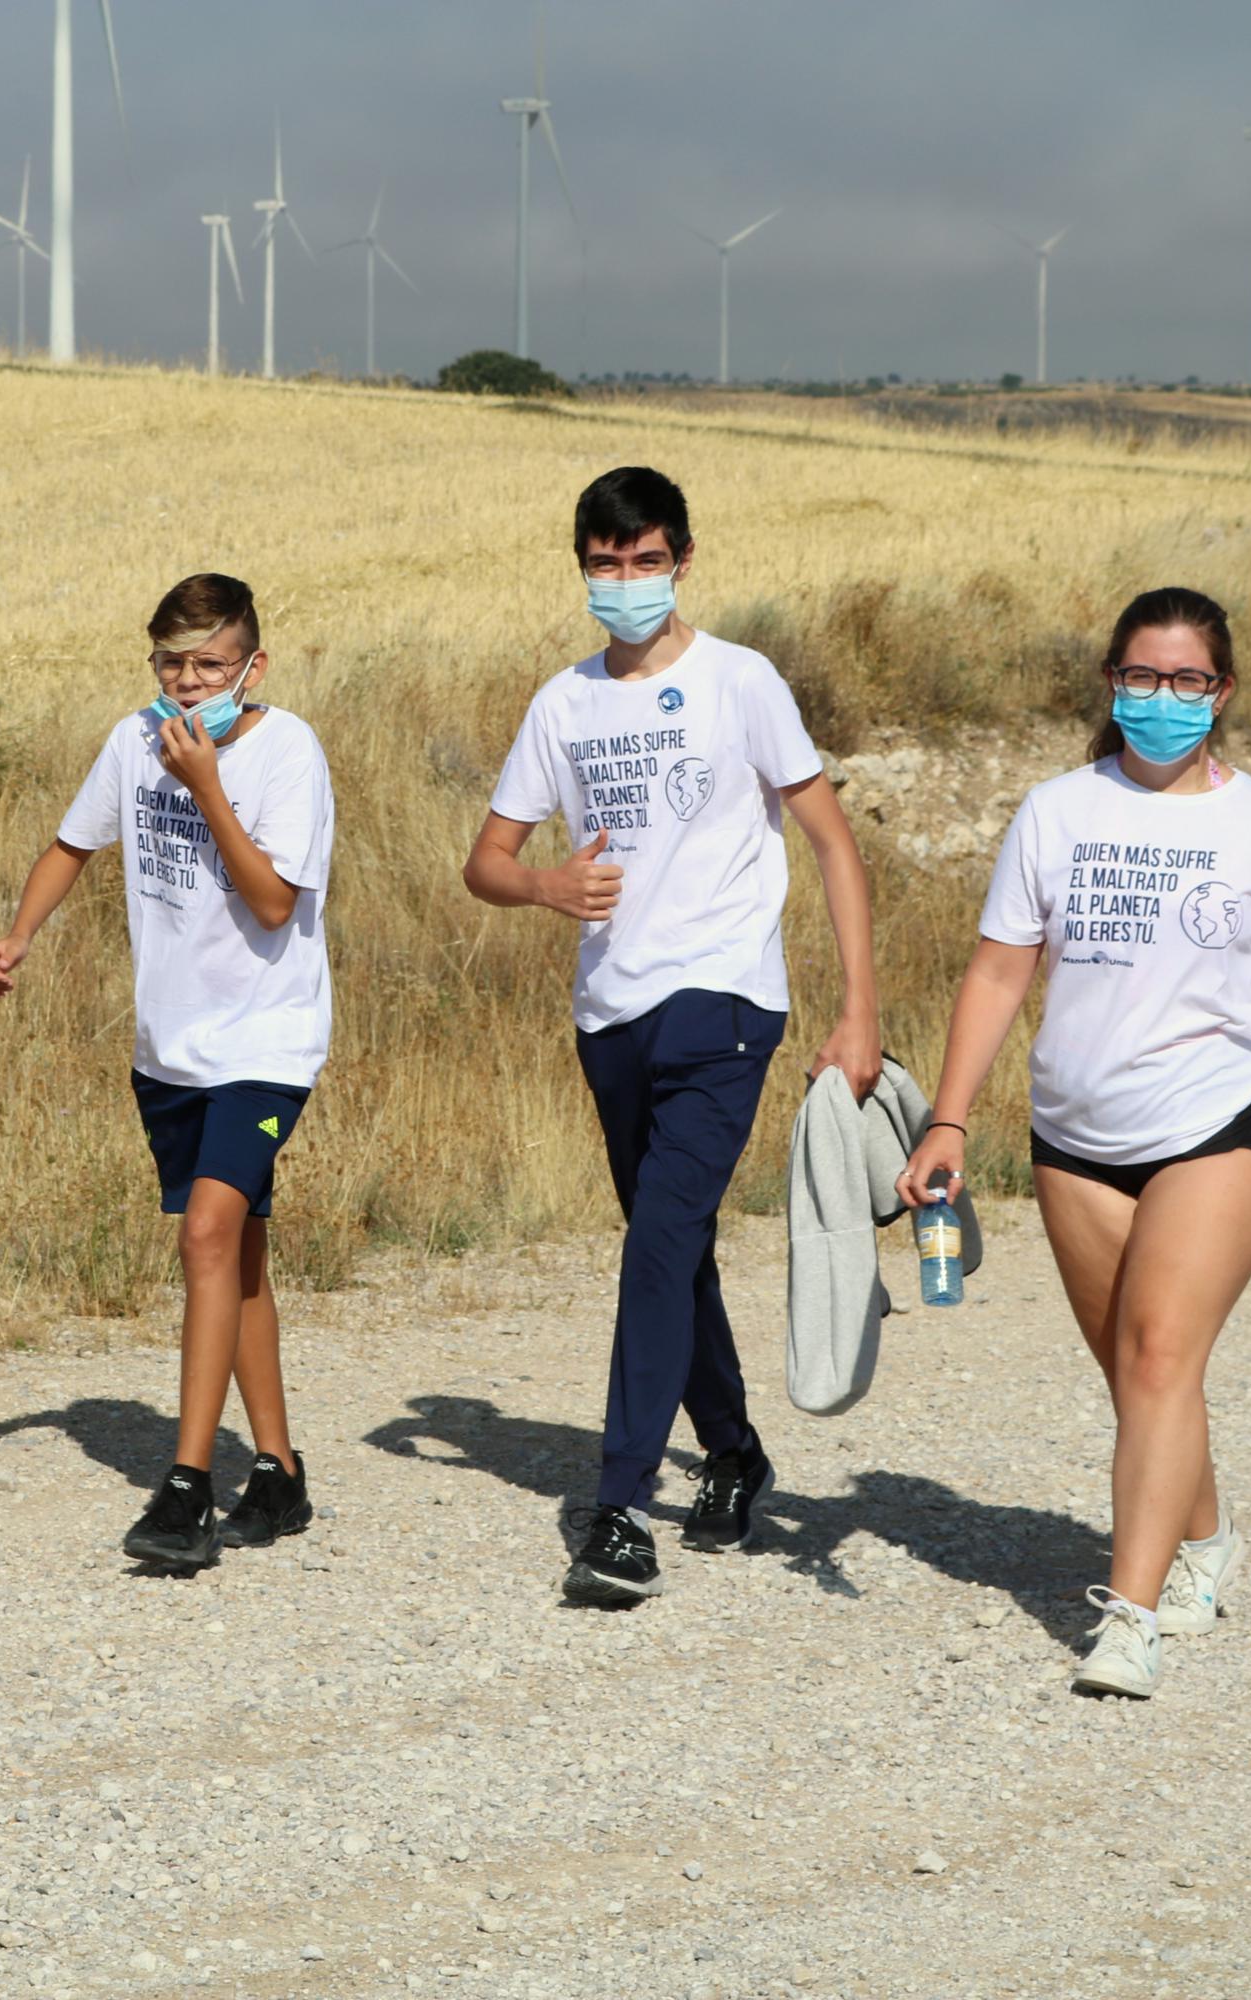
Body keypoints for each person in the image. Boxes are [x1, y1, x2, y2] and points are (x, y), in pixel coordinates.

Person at [897, 585, 1251, 1699]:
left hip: (1220, 1123)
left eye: (1187, 680)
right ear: (1112, 682)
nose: (1163, 698)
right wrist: (948, 1116)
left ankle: (1130, 1614)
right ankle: (1206, 1536)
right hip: (1075, 1133)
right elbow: (1003, 968)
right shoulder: (1056, 811)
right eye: (1142, 677)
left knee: (1156, 1355)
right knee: (1140, 1371)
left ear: (1222, 691)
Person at [464, 466, 881, 1605]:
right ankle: (735, 1454)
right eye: (606, 563)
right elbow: (485, 861)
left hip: (727, 1002)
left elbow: (835, 844)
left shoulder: (740, 680)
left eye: (646, 560)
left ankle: (620, 1509)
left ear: (683, 559)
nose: (626, 582)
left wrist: (860, 1011)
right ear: (583, 568)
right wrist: (546, 887)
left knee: (652, 1246)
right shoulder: (563, 704)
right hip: (611, 1011)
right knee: (673, 1245)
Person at [0, 573, 334, 1572]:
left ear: (252, 667)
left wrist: (207, 787)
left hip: (265, 1045)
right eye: (171, 664)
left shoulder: (286, 753)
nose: (188, 684)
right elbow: (72, 841)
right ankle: (278, 1466)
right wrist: (19, 933)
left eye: (210, 664)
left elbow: (272, 903)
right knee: (240, 1248)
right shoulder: (134, 741)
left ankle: (187, 1487)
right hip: (170, 1048)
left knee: (210, 1232)